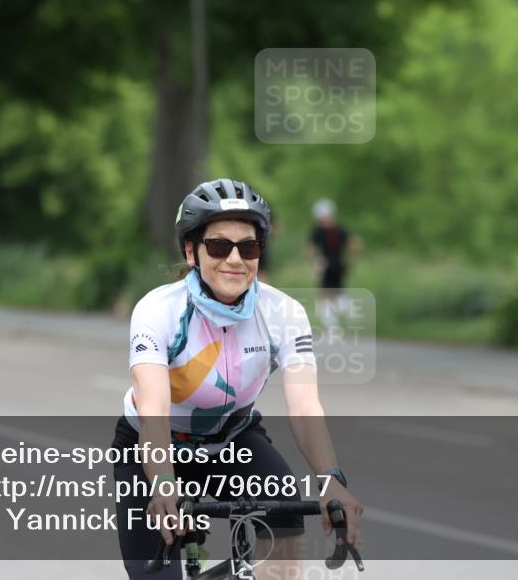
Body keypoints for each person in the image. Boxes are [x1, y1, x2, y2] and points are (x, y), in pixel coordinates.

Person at [111, 178, 362, 580]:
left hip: (233, 441)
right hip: (155, 447)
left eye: (248, 247)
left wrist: (330, 479)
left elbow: (304, 405)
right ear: (192, 251)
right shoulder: (158, 310)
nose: (234, 259)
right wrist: (162, 483)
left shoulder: (284, 313)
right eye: (218, 246)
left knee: (282, 546)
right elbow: (153, 409)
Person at [305, 199, 361, 333]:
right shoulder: (341, 229)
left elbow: (308, 250)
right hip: (340, 264)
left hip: (326, 264)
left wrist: (315, 263)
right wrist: (350, 262)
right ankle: (348, 310)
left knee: (324, 296)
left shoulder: (318, 231)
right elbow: (356, 245)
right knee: (338, 291)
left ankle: (334, 327)